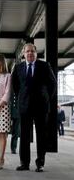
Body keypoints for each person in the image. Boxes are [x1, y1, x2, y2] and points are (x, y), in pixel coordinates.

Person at [11, 43, 57, 172]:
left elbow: (52, 83)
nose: (30, 53)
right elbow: (15, 86)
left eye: (32, 51)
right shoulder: (18, 67)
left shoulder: (44, 66)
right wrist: (21, 98)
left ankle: (40, 163)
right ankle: (24, 163)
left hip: (41, 106)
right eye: (27, 52)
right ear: (24, 54)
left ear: (36, 53)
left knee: (41, 135)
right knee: (24, 135)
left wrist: (47, 97)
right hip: (24, 107)